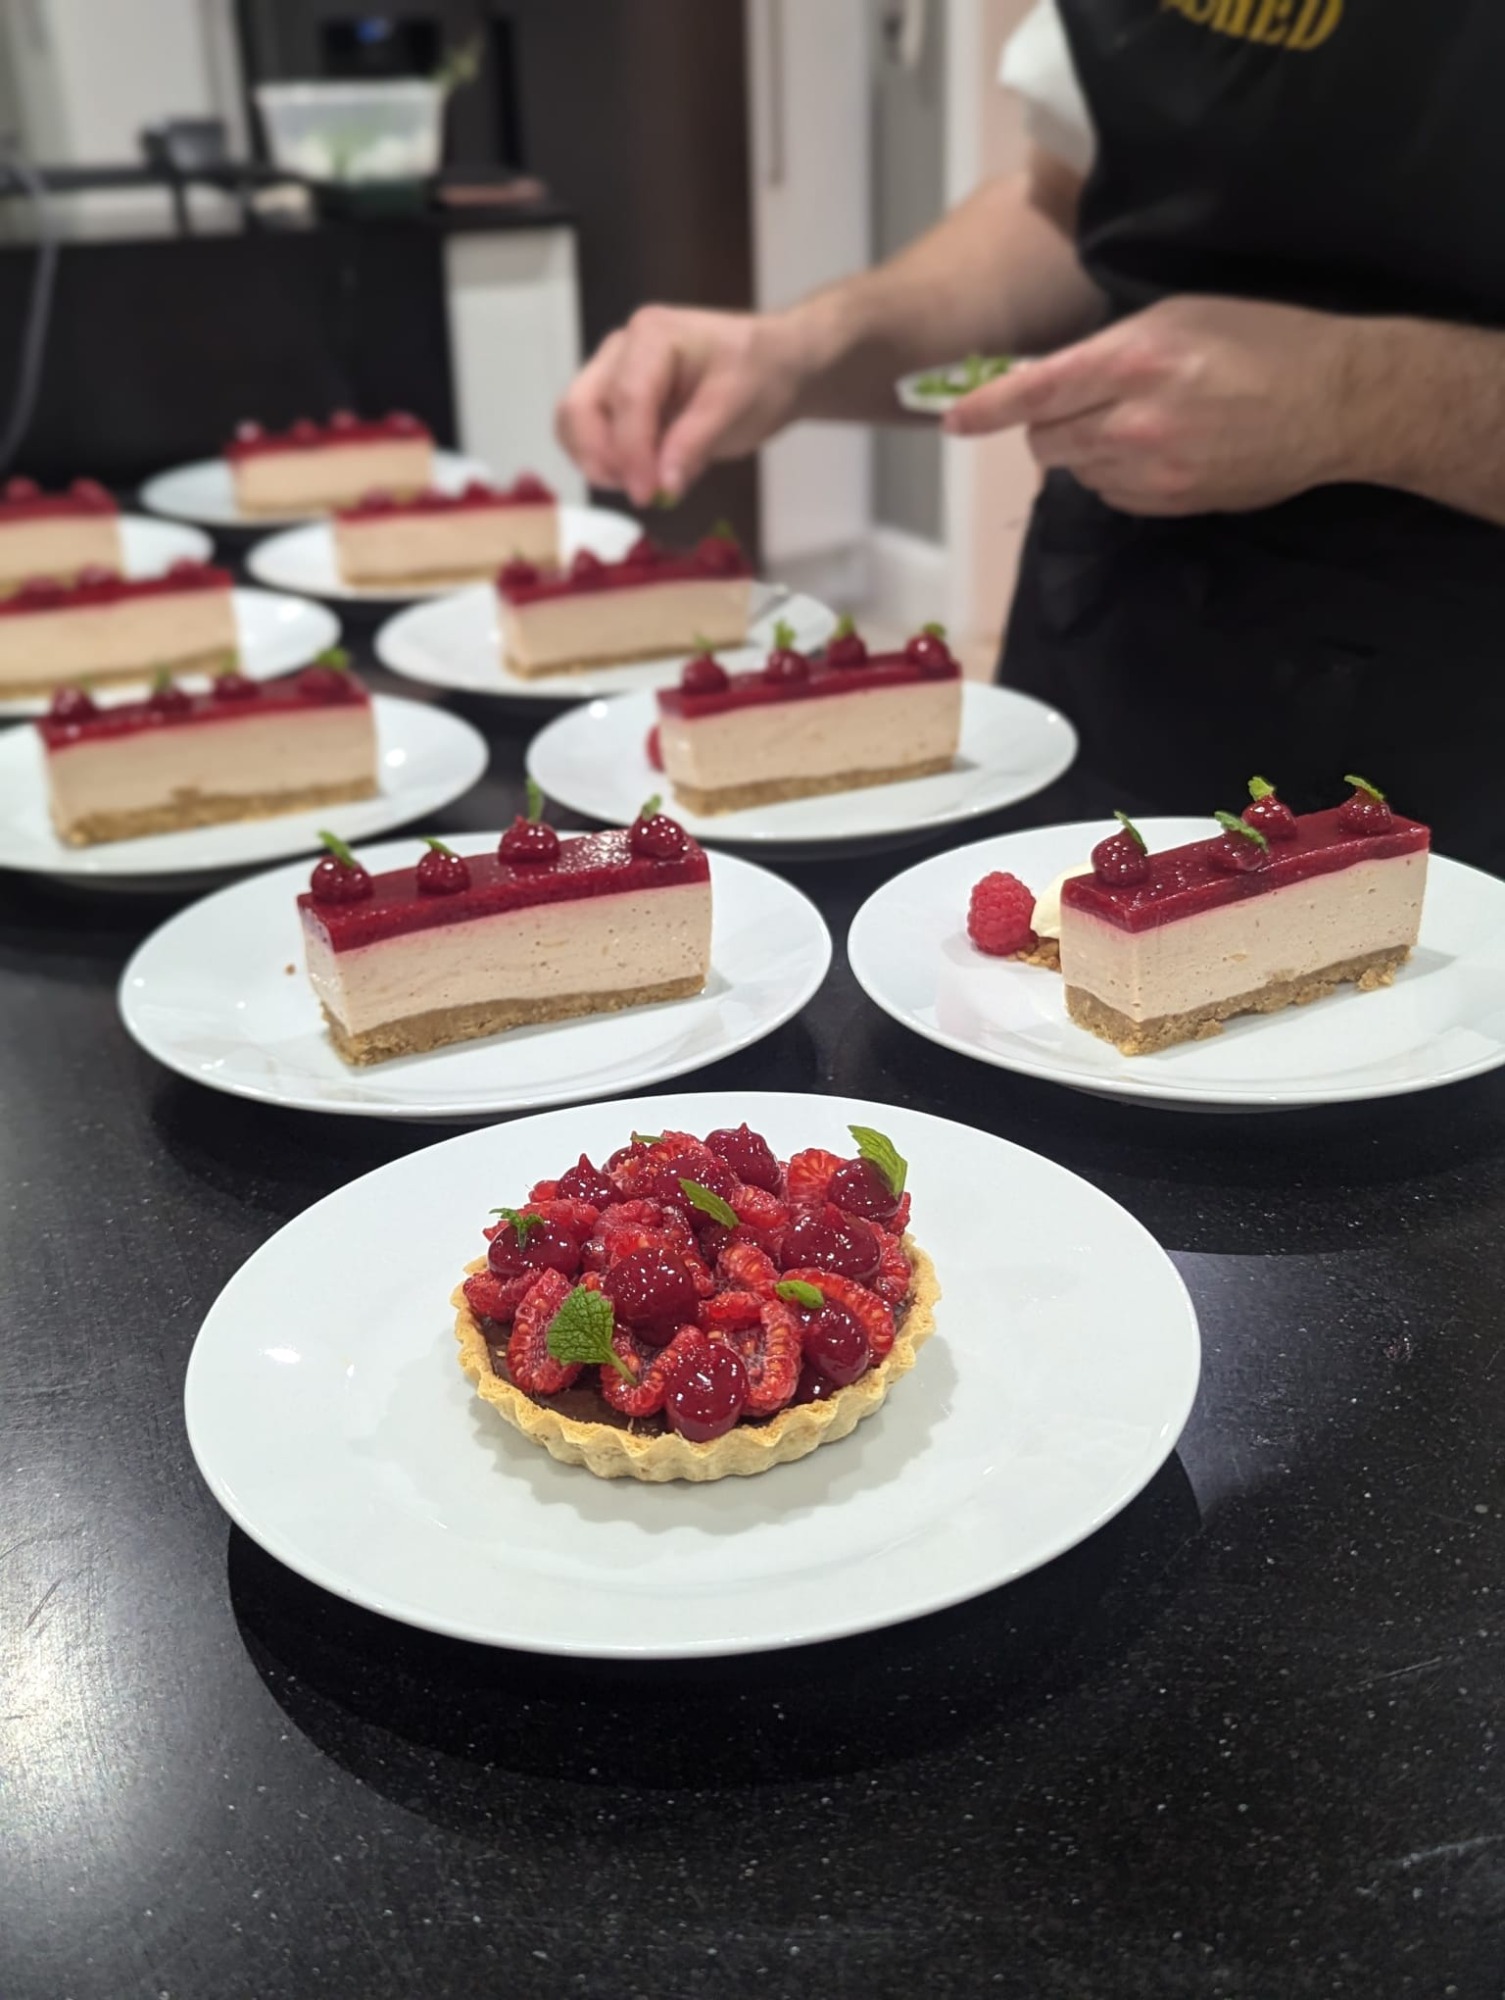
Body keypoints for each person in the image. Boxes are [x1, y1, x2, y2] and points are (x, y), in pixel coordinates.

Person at [556, 1, 1505, 869]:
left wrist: (1352, 398)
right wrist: (804, 348)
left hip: (1455, 716)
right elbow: (1065, 208)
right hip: (1116, 631)